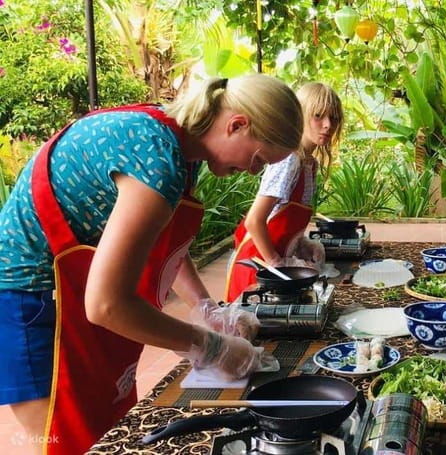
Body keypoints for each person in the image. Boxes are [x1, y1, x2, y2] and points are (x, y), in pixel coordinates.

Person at [0, 74, 304, 454]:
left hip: (69, 289)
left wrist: (205, 307)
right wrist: (209, 346)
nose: (254, 172)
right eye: (258, 159)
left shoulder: (181, 146)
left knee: (109, 425)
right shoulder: (158, 157)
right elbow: (107, 305)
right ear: (237, 124)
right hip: (30, 298)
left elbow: (165, 246)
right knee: (68, 439)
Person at [225, 82, 343, 302]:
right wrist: (276, 263)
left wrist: (302, 244)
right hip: (257, 267)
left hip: (278, 268)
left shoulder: (310, 164)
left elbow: (284, 220)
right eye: (318, 116)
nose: (328, 125)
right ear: (300, 116)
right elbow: (254, 221)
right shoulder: (289, 159)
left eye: (334, 118)